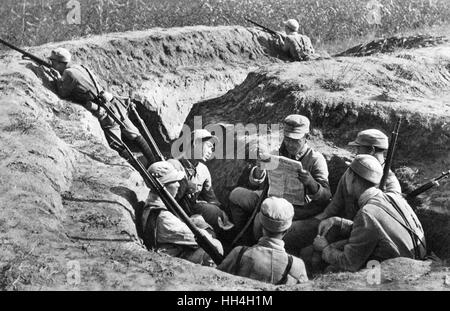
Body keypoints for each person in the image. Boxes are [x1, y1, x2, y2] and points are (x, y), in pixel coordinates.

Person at [283, 129, 403, 257]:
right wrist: (311, 223)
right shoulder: (353, 171)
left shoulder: (391, 185)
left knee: (310, 255)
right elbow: (333, 206)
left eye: (359, 149)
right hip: (341, 226)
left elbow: (384, 230)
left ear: (372, 151)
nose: (355, 153)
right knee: (290, 233)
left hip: (365, 238)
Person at [43, 47, 157, 165]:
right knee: (134, 134)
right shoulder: (81, 67)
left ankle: (142, 172)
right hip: (113, 102)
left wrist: (57, 79)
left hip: (105, 110)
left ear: (61, 63)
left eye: (53, 62)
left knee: (116, 145)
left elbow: (63, 93)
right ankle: (154, 162)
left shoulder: (69, 73)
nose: (51, 64)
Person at [312, 155, 426, 272]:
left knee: (330, 270)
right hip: (416, 260)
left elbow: (349, 263)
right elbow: (374, 229)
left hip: (400, 272)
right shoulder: (393, 197)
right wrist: (338, 221)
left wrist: (324, 248)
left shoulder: (367, 213)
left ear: (351, 178)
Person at [229, 114, 331, 244]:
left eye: (295, 140)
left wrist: (311, 182)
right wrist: (260, 170)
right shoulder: (277, 152)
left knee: (261, 220)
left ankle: (258, 248)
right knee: (236, 195)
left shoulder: (316, 159)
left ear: (307, 137)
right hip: (270, 196)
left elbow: (326, 196)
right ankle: (244, 239)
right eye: (287, 139)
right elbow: (257, 182)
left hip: (298, 208)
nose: (289, 144)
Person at [141, 161, 223, 266]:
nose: (179, 185)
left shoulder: (153, 204)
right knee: (216, 246)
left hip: (169, 248)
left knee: (196, 218)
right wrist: (208, 230)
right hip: (171, 261)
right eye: (175, 181)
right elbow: (202, 240)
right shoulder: (164, 218)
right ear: (165, 185)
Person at [218, 197, 308, 285]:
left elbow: (216, 279)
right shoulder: (297, 265)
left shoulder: (239, 254)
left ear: (260, 223)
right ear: (288, 230)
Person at [168, 129, 233, 234]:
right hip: (172, 215)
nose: (211, 151)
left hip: (192, 211)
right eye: (208, 146)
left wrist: (223, 212)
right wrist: (184, 186)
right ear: (195, 143)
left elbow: (211, 198)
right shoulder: (173, 165)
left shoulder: (203, 170)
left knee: (218, 214)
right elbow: (164, 199)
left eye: (212, 148)